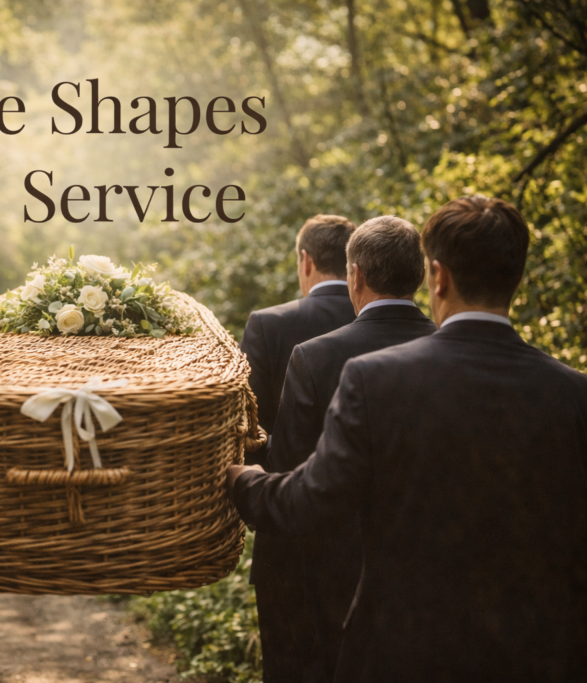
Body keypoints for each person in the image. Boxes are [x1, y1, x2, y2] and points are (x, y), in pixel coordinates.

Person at [228, 196, 587, 682]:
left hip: (408, 648)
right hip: (539, 651)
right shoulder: (573, 393)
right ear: (517, 277)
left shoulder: (375, 378)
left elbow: (313, 498)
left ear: (437, 276)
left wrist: (243, 481)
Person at [263, 216, 436, 681]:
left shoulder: (313, 355)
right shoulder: (450, 350)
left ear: (355, 276)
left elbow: (286, 469)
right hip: (423, 574)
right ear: (421, 277)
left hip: (322, 571)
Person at [239, 213, 356, 683]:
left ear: (305, 261)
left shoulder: (269, 324)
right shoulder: (399, 324)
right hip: (370, 541)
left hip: (289, 538)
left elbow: (247, 429)